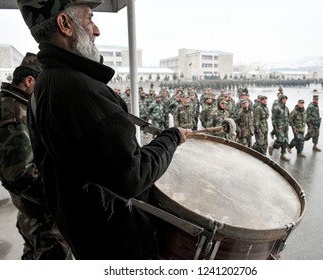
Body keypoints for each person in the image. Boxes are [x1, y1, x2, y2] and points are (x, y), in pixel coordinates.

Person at [17, 0, 192, 260]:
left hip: (87, 234)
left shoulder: (46, 82)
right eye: (89, 18)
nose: (96, 30)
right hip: (116, 243)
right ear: (65, 25)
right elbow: (133, 175)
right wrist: (172, 137)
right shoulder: (79, 90)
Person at [0, 53, 69, 259]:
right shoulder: (11, 112)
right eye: (43, 85)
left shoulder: (12, 104)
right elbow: (20, 174)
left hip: (32, 210)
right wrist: (63, 201)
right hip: (42, 215)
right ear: (29, 81)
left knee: (34, 255)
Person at [268, 95, 290, 161]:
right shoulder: (276, 108)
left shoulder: (286, 108)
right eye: (283, 99)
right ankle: (272, 147)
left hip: (285, 127)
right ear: (280, 99)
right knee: (280, 140)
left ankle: (283, 154)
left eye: (285, 99)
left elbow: (288, 117)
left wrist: (288, 125)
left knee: (285, 141)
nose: (285, 100)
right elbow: (273, 119)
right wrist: (275, 128)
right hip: (279, 127)